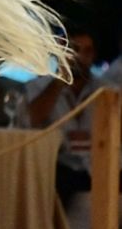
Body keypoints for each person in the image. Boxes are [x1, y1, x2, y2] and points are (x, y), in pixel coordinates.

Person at [26, 28, 109, 206]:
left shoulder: (107, 90)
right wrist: (60, 79)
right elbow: (32, 118)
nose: (80, 57)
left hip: (98, 167)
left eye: (87, 51)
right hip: (56, 170)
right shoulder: (38, 87)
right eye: (74, 49)